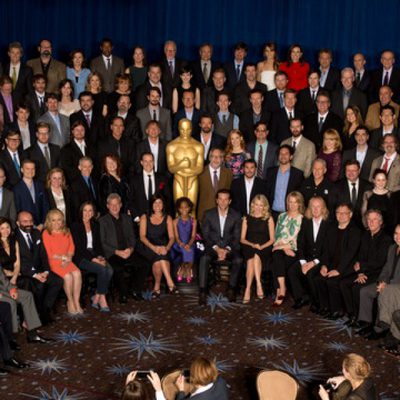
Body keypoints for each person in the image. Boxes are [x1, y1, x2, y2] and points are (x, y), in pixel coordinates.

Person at [339, 209, 392, 327]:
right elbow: (360, 256)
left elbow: (380, 262)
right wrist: (360, 272)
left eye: (374, 220)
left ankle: (361, 320)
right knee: (344, 283)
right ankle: (352, 314)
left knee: (357, 288)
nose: (371, 222)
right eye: (369, 219)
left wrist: (362, 267)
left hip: (377, 273)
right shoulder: (365, 235)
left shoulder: (386, 239)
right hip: (363, 271)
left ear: (380, 222)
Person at [313, 203, 361, 319]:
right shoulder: (331, 228)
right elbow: (325, 250)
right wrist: (324, 265)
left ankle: (337, 310)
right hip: (331, 264)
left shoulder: (355, 231)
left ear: (351, 214)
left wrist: (339, 270)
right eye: (339, 212)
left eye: (345, 213)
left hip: (347, 266)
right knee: (318, 279)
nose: (341, 215)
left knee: (332, 281)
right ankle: (326, 307)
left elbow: (350, 254)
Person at [16, 211, 63, 325]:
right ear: (18, 223)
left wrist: (46, 271)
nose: (29, 224)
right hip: (26, 273)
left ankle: (45, 310)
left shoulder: (36, 233)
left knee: (58, 281)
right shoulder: (14, 237)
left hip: (40, 270)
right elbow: (19, 262)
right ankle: (38, 314)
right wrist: (35, 275)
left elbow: (43, 254)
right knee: (40, 286)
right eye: (25, 221)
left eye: (31, 221)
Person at [99, 193, 145, 304]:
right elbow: (102, 242)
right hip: (113, 253)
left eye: (117, 204)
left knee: (144, 264)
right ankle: (123, 294)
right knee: (118, 268)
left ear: (121, 205)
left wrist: (130, 249)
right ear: (107, 206)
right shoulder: (102, 221)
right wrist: (117, 252)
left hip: (127, 251)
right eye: (112, 205)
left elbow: (132, 237)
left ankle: (135, 290)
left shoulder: (127, 218)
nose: (114, 207)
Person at [198, 189, 242, 304]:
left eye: (225, 199)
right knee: (204, 258)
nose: (223, 202)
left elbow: (236, 238)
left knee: (238, 259)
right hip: (213, 247)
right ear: (216, 200)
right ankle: (202, 291)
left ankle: (232, 289)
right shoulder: (208, 214)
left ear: (230, 201)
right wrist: (217, 249)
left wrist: (226, 250)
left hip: (230, 248)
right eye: (220, 199)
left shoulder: (236, 216)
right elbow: (205, 236)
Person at [357, 224, 400, 338]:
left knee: (384, 293)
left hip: (396, 288)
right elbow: (386, 269)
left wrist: (386, 286)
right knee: (365, 291)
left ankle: (379, 329)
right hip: (386, 283)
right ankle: (366, 323)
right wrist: (382, 281)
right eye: (396, 233)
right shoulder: (392, 248)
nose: (398, 237)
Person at [288, 197, 330, 310]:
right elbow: (300, 242)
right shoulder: (306, 221)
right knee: (292, 271)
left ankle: (317, 303)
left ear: (323, 208)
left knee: (311, 274)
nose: (315, 209)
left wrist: (313, 263)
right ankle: (301, 298)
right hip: (306, 258)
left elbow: (328, 249)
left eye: (318, 207)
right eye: (313, 207)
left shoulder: (329, 223)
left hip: (321, 260)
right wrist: (303, 262)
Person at [71, 202, 113, 312]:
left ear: (93, 212)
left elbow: (98, 244)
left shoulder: (95, 224)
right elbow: (79, 248)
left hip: (94, 253)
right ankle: (102, 298)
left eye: (90, 210)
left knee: (110, 270)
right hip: (81, 257)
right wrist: (94, 259)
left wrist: (101, 257)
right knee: (103, 270)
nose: (87, 213)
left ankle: (97, 296)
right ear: (81, 211)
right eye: (85, 210)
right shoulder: (76, 225)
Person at [42, 209, 83, 314]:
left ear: (62, 221)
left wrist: (69, 257)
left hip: (67, 260)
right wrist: (64, 258)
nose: (56, 223)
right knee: (68, 276)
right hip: (54, 262)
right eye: (53, 220)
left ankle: (76, 301)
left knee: (77, 273)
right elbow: (49, 254)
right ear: (49, 221)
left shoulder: (67, 231)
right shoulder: (46, 233)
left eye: (59, 220)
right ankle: (70, 301)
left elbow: (71, 247)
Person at [138, 194, 177, 298]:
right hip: (147, 246)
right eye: (155, 202)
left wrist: (167, 248)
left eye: (160, 202)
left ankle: (157, 287)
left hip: (163, 246)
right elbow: (142, 237)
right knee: (160, 257)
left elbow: (172, 237)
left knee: (160, 259)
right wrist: (154, 248)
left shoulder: (168, 218)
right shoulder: (144, 217)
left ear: (163, 204)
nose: (157, 205)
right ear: (151, 204)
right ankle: (171, 284)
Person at [270, 191, 304, 306]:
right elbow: (277, 235)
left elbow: (299, 240)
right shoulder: (281, 216)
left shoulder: (302, 219)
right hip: (282, 248)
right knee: (277, 257)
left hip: (294, 249)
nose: (293, 204)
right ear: (287, 203)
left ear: (299, 204)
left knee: (276, 259)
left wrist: (284, 247)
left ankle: (279, 290)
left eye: (295, 202)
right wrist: (283, 248)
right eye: (290, 202)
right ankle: (282, 288)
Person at [240, 194, 275, 304]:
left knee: (254, 257)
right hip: (249, 245)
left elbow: (272, 240)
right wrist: (252, 244)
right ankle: (258, 285)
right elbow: (242, 239)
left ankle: (248, 289)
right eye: (256, 204)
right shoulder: (246, 218)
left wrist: (261, 246)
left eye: (261, 205)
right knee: (252, 256)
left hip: (264, 246)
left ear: (265, 206)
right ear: (252, 205)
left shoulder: (269, 218)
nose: (258, 207)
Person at [265, 145, 304, 220]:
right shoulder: (270, 172)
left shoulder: (298, 174)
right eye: (281, 153)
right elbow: (267, 192)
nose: (283, 156)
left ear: (291, 156)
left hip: (290, 214)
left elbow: (299, 196)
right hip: (272, 214)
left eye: (286, 153)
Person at [332, 159, 372, 227]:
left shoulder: (368, 186)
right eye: (348, 170)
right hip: (342, 224)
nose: (351, 173)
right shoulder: (337, 186)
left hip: (362, 226)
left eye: (354, 170)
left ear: (359, 171)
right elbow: (332, 207)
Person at [197, 148, 233, 222]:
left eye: (219, 157)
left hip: (223, 214)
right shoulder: (200, 172)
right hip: (204, 214)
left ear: (222, 159)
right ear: (209, 158)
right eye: (213, 156)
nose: (216, 159)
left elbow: (229, 192)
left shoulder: (228, 173)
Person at [13, 159, 49, 230]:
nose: (30, 171)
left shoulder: (40, 185)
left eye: (33, 168)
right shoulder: (16, 189)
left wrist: (42, 224)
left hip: (42, 226)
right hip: (26, 226)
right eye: (27, 169)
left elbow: (45, 205)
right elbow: (17, 210)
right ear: (22, 170)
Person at [173, 197, 197, 283]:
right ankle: (183, 268)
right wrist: (182, 244)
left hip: (190, 243)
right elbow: (176, 237)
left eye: (186, 207)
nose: (184, 209)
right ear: (178, 209)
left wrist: (189, 244)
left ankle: (188, 268)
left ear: (189, 208)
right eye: (181, 207)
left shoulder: (194, 220)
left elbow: (193, 236)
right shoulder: (175, 221)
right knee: (184, 250)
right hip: (179, 244)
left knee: (190, 250)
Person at [0, 218, 20, 286]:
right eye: (2, 228)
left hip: (15, 274)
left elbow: (17, 264)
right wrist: (9, 273)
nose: (6, 230)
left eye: (7, 227)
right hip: (2, 278)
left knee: (28, 282)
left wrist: (14, 277)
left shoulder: (14, 242)